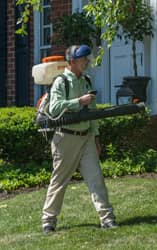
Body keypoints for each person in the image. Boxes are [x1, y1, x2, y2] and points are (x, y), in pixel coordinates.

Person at [41, 44, 117, 233]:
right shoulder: (61, 82)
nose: (87, 61)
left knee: (96, 179)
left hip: (87, 138)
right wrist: (78, 102)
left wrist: (96, 137)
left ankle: (107, 218)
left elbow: (92, 113)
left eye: (87, 58)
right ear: (72, 61)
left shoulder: (87, 81)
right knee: (59, 182)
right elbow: (54, 108)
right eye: (83, 58)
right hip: (65, 138)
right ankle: (48, 222)